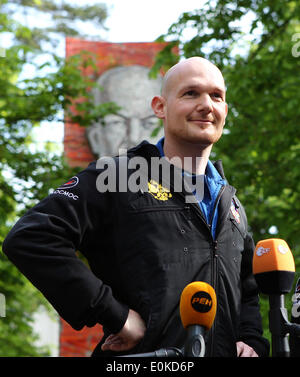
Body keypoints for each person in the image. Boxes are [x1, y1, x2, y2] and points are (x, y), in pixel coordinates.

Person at [2, 57, 270, 357]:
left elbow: (247, 288)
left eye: (216, 96)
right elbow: (32, 237)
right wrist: (114, 314)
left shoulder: (229, 202)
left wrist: (252, 340)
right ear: (160, 107)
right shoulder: (116, 177)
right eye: (190, 93)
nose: (206, 105)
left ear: (225, 110)